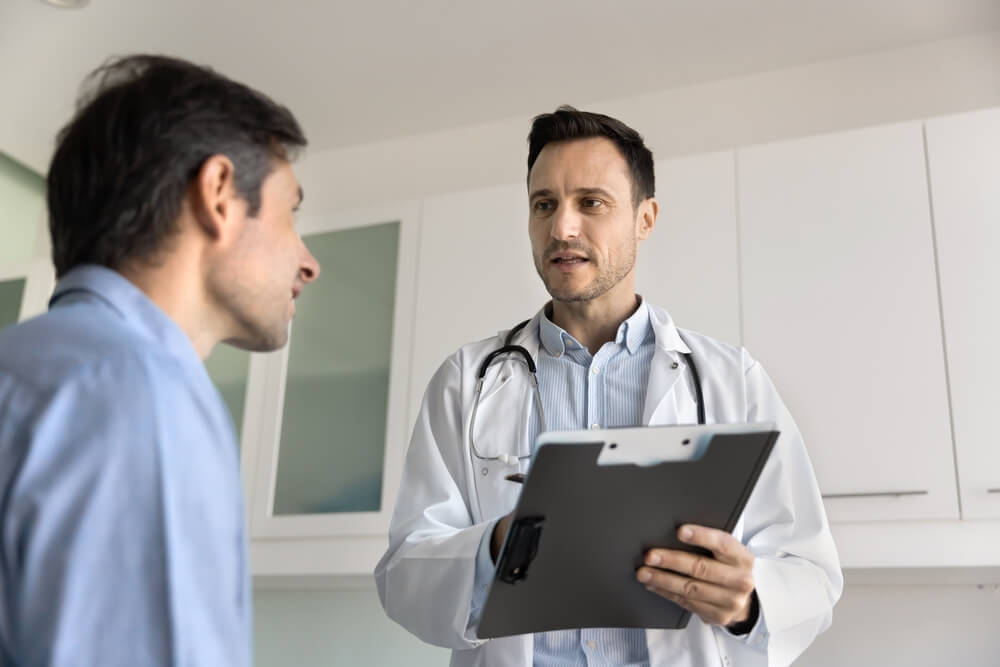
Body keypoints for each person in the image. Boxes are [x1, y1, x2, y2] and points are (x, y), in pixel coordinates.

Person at [375, 106, 841, 666]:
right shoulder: (465, 381)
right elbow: (405, 574)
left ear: (645, 218)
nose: (561, 228)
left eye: (590, 203)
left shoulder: (731, 380)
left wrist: (748, 600)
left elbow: (811, 573)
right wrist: (498, 545)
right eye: (543, 204)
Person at [0, 55, 319, 665]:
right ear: (219, 193)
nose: (308, 262)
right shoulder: (139, 393)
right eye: (290, 211)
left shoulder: (22, 369)